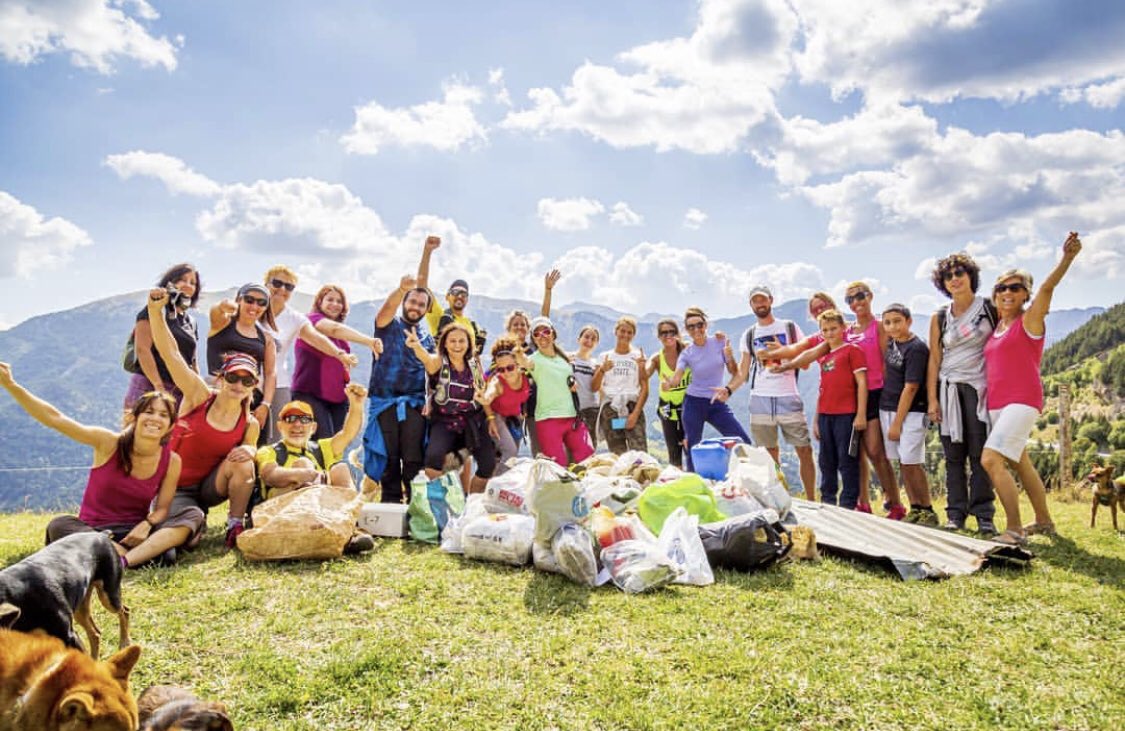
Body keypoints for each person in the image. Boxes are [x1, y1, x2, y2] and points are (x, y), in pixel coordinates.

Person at [2, 364, 191, 567]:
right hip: (91, 529)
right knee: (59, 525)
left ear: (171, 425)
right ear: (134, 417)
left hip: (131, 534)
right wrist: (11, 385)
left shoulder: (171, 461)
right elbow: (55, 419)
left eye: (163, 415)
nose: (155, 418)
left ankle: (113, 557)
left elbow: (162, 509)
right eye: (149, 412)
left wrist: (147, 524)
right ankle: (119, 555)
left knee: (177, 538)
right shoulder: (108, 443)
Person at [982, 233, 1082, 545]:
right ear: (995, 295)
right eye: (1002, 288)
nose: (1007, 292)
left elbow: (1048, 289)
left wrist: (1066, 259)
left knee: (990, 460)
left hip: (1022, 401)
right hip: (997, 404)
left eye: (1015, 287)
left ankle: (1014, 530)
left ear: (1025, 294)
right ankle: (1044, 520)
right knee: (1019, 461)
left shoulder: (1030, 321)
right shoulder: (997, 328)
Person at [772, 284, 906, 517]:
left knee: (875, 451)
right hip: (845, 401)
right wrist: (782, 359)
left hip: (874, 392)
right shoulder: (844, 331)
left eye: (860, 296)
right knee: (854, 453)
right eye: (851, 298)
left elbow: (886, 361)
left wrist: (891, 394)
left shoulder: (877, 326)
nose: (856, 301)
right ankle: (861, 502)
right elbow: (809, 353)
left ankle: (894, 501)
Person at [149, 288, 261, 549]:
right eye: (233, 377)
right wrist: (156, 312)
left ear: (253, 385)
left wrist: (249, 449)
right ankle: (187, 523)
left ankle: (234, 525)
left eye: (247, 380)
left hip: (210, 488)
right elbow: (171, 354)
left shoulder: (249, 421)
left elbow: (252, 448)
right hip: (174, 487)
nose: (239, 385)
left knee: (244, 463)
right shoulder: (199, 396)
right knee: (187, 540)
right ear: (221, 378)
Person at [926, 252, 998, 534]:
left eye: (959, 273)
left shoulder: (989, 308)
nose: (954, 279)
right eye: (948, 276)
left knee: (981, 455)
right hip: (948, 390)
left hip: (981, 390)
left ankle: (984, 515)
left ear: (971, 276)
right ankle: (955, 514)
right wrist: (932, 398)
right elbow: (935, 357)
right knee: (953, 456)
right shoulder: (940, 316)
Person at [259, 267, 360, 441]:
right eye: (277, 283)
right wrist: (369, 341)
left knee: (276, 440)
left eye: (289, 287)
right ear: (266, 284)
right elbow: (328, 331)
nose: (282, 289)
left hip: (281, 384)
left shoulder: (295, 319)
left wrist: (340, 354)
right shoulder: (252, 308)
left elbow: (317, 339)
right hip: (307, 392)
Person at [738, 285, 816, 500]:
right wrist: (727, 385)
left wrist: (781, 354)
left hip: (788, 395)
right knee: (768, 454)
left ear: (771, 300)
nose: (760, 304)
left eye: (763, 300)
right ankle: (780, 499)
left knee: (804, 450)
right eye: (755, 301)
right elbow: (743, 371)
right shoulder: (748, 334)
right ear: (751, 305)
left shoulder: (789, 328)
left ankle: (812, 500)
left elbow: (806, 363)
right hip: (760, 398)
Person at [362, 274, 435, 504]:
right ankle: (390, 505)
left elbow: (431, 370)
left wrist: (431, 398)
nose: (416, 307)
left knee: (413, 456)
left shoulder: (426, 336)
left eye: (421, 304)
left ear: (426, 309)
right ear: (404, 302)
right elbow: (386, 310)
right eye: (412, 301)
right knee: (389, 455)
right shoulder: (388, 325)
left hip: (414, 402)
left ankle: (416, 508)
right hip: (384, 401)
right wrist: (401, 289)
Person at [408, 322, 494, 493]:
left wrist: (490, 418)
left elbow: (482, 393)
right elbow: (427, 360)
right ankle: (437, 500)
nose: (457, 345)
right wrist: (416, 347)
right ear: (445, 343)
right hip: (445, 421)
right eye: (452, 341)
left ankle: (472, 503)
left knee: (488, 465)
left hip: (473, 421)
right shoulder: (440, 362)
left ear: (469, 343)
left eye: (462, 341)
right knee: (433, 457)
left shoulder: (474, 364)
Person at [663, 307, 751, 472]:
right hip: (693, 403)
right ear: (686, 330)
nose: (696, 329)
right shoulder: (687, 353)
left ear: (706, 324)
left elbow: (734, 371)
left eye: (699, 324)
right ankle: (693, 484)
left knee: (743, 442)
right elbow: (677, 377)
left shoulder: (720, 342)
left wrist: (730, 356)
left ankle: (745, 478)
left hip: (716, 402)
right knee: (693, 449)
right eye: (691, 327)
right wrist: (670, 384)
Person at [291, 284, 382, 439]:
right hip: (310, 393)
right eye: (330, 299)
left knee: (335, 446)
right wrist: (369, 341)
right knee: (321, 442)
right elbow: (333, 329)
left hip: (338, 399)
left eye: (339, 301)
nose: (335, 304)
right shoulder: (310, 321)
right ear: (320, 302)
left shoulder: (342, 337)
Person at [879, 304, 938, 525]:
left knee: (912, 462)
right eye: (887, 322)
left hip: (910, 413)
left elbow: (911, 387)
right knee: (904, 462)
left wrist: (897, 423)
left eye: (897, 321)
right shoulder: (893, 343)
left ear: (909, 321)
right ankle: (915, 508)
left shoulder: (916, 348)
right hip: (888, 407)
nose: (892, 326)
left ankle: (928, 510)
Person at [255, 385, 367, 500]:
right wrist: (304, 474)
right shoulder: (268, 451)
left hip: (323, 505)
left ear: (313, 428)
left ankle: (349, 513)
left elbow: (348, 433)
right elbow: (270, 475)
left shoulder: (323, 448)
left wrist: (356, 405)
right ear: (280, 426)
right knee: (303, 463)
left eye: (304, 420)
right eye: (290, 419)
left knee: (341, 469)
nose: (297, 425)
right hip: (283, 508)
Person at [513, 316, 594, 467]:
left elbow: (567, 377)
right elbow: (524, 362)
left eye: (546, 331)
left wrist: (572, 383)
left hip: (572, 417)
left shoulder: (564, 358)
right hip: (548, 419)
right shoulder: (534, 359)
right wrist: (518, 353)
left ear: (553, 334)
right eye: (537, 334)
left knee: (587, 457)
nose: (542, 336)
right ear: (534, 339)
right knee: (557, 467)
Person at [124, 263, 201, 413]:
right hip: (148, 386)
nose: (188, 285)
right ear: (170, 282)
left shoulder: (191, 322)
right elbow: (142, 350)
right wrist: (158, 387)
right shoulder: (154, 310)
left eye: (193, 283)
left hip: (180, 391)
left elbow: (192, 360)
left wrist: (196, 389)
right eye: (182, 280)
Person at [811, 309, 868, 509]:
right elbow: (822, 389)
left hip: (847, 415)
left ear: (843, 328)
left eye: (833, 328)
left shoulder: (853, 351)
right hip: (826, 416)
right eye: (825, 330)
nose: (829, 333)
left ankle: (847, 504)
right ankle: (827, 502)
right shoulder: (824, 357)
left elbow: (862, 383)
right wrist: (816, 420)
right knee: (826, 461)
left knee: (847, 461)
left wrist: (861, 414)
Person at [207, 283, 277, 432]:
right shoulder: (222, 324)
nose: (254, 306)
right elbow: (216, 311)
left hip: (250, 398)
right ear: (239, 300)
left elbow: (270, 373)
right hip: (217, 394)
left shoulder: (266, 338)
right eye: (249, 300)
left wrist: (265, 404)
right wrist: (224, 305)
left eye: (261, 302)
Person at [417, 236, 486, 355]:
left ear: (467, 299)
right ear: (447, 297)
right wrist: (427, 251)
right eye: (455, 292)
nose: (459, 296)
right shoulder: (440, 316)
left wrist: (479, 374)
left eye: (463, 294)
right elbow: (422, 287)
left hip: (469, 373)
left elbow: (474, 359)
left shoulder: (472, 326)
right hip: (445, 372)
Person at [591, 316, 648, 455]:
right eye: (622, 331)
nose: (625, 335)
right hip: (611, 410)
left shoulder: (637, 356)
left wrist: (635, 414)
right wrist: (602, 370)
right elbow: (594, 387)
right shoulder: (604, 356)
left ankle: (642, 476)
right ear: (615, 331)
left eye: (629, 332)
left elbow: (645, 387)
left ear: (633, 335)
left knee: (640, 453)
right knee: (617, 452)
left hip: (632, 407)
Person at [479, 336, 531, 474]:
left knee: (508, 458)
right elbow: (489, 394)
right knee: (510, 452)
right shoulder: (497, 380)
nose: (506, 373)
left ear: (518, 364)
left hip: (514, 419)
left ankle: (501, 488)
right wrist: (485, 400)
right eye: (501, 369)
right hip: (496, 416)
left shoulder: (526, 376)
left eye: (510, 367)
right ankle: (498, 487)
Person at [646, 319, 691, 468]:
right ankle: (677, 481)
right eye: (664, 333)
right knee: (673, 451)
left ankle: (694, 479)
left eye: (672, 332)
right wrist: (640, 365)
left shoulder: (689, 351)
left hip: (688, 407)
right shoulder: (657, 358)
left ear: (678, 334)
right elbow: (645, 374)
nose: (668, 335)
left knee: (691, 447)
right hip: (667, 408)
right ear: (658, 336)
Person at [571, 325, 602, 445]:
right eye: (586, 337)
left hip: (591, 410)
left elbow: (600, 388)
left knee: (590, 447)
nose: (589, 341)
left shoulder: (595, 364)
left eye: (593, 339)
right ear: (579, 339)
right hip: (571, 410)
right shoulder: (568, 358)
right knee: (571, 448)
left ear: (596, 344)